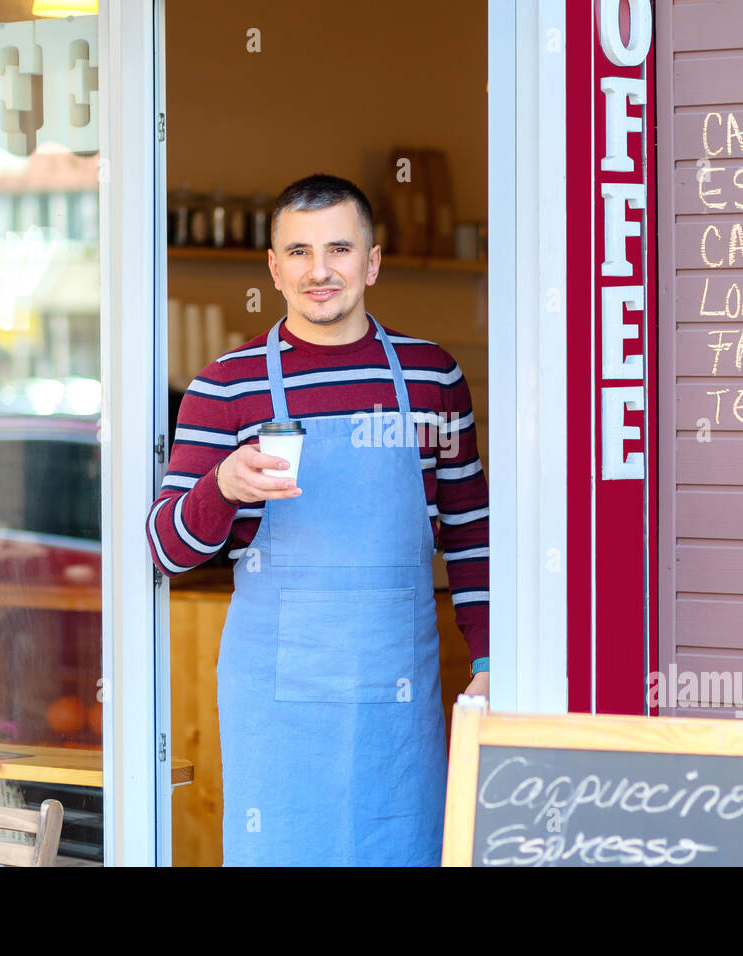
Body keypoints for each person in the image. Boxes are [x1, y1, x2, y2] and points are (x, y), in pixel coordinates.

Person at [145, 173, 489, 866]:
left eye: (338, 247)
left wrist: (488, 660)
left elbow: (472, 530)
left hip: (396, 690)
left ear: (373, 261)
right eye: (298, 252)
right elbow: (167, 550)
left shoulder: (432, 378)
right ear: (273, 268)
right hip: (278, 697)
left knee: (403, 843)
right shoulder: (225, 386)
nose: (319, 270)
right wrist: (222, 485)